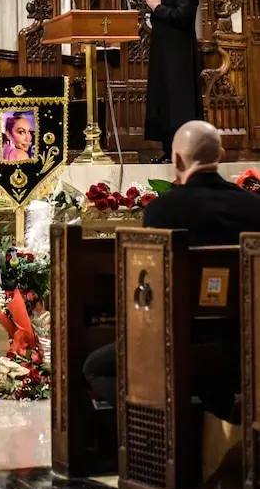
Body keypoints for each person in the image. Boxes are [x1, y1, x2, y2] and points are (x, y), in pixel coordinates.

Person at [83, 121, 260, 416]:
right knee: (212, 371)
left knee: (95, 367)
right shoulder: (253, 208)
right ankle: (217, 426)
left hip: (181, 347)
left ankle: (166, 427)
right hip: (246, 345)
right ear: (222, 153)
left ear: (176, 160)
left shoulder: (162, 211)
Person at [143, 0, 203, 164]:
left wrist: (157, 7)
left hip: (179, 55)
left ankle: (183, 153)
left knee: (179, 102)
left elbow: (181, 16)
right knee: (165, 100)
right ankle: (169, 151)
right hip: (164, 53)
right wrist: (155, 8)